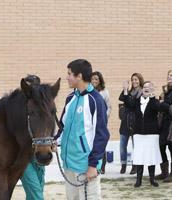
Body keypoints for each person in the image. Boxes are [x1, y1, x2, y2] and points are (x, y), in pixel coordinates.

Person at [56, 59, 110, 200]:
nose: (67, 77)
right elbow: (62, 127)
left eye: (69, 74)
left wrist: (93, 165)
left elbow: (102, 135)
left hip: (86, 166)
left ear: (79, 76)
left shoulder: (96, 100)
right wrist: (55, 142)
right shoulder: (70, 98)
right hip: (69, 164)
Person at [121, 81, 165, 188]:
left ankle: (152, 179)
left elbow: (159, 108)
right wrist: (126, 90)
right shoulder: (136, 101)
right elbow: (127, 102)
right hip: (139, 134)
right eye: (144, 86)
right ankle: (138, 180)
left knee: (151, 157)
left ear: (152, 89)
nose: (146, 88)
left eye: (149, 87)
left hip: (152, 134)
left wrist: (153, 97)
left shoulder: (154, 101)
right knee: (139, 157)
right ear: (142, 89)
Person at [20, 74, 46, 200]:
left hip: (39, 155)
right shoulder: (17, 109)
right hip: (23, 158)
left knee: (37, 190)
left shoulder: (41, 110)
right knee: (37, 194)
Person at [118, 73, 144, 174]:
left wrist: (126, 94)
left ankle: (135, 166)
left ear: (140, 80)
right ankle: (123, 165)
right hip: (125, 121)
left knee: (135, 146)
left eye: (136, 79)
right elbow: (121, 98)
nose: (134, 82)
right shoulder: (129, 91)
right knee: (122, 145)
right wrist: (125, 89)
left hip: (136, 122)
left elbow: (132, 104)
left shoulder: (141, 93)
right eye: (132, 80)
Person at [91, 71, 111, 174]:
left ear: (100, 81)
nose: (94, 81)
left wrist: (104, 118)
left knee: (101, 142)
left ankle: (102, 166)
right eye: (93, 78)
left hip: (101, 122)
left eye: (96, 79)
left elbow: (109, 107)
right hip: (90, 123)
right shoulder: (87, 91)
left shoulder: (104, 91)